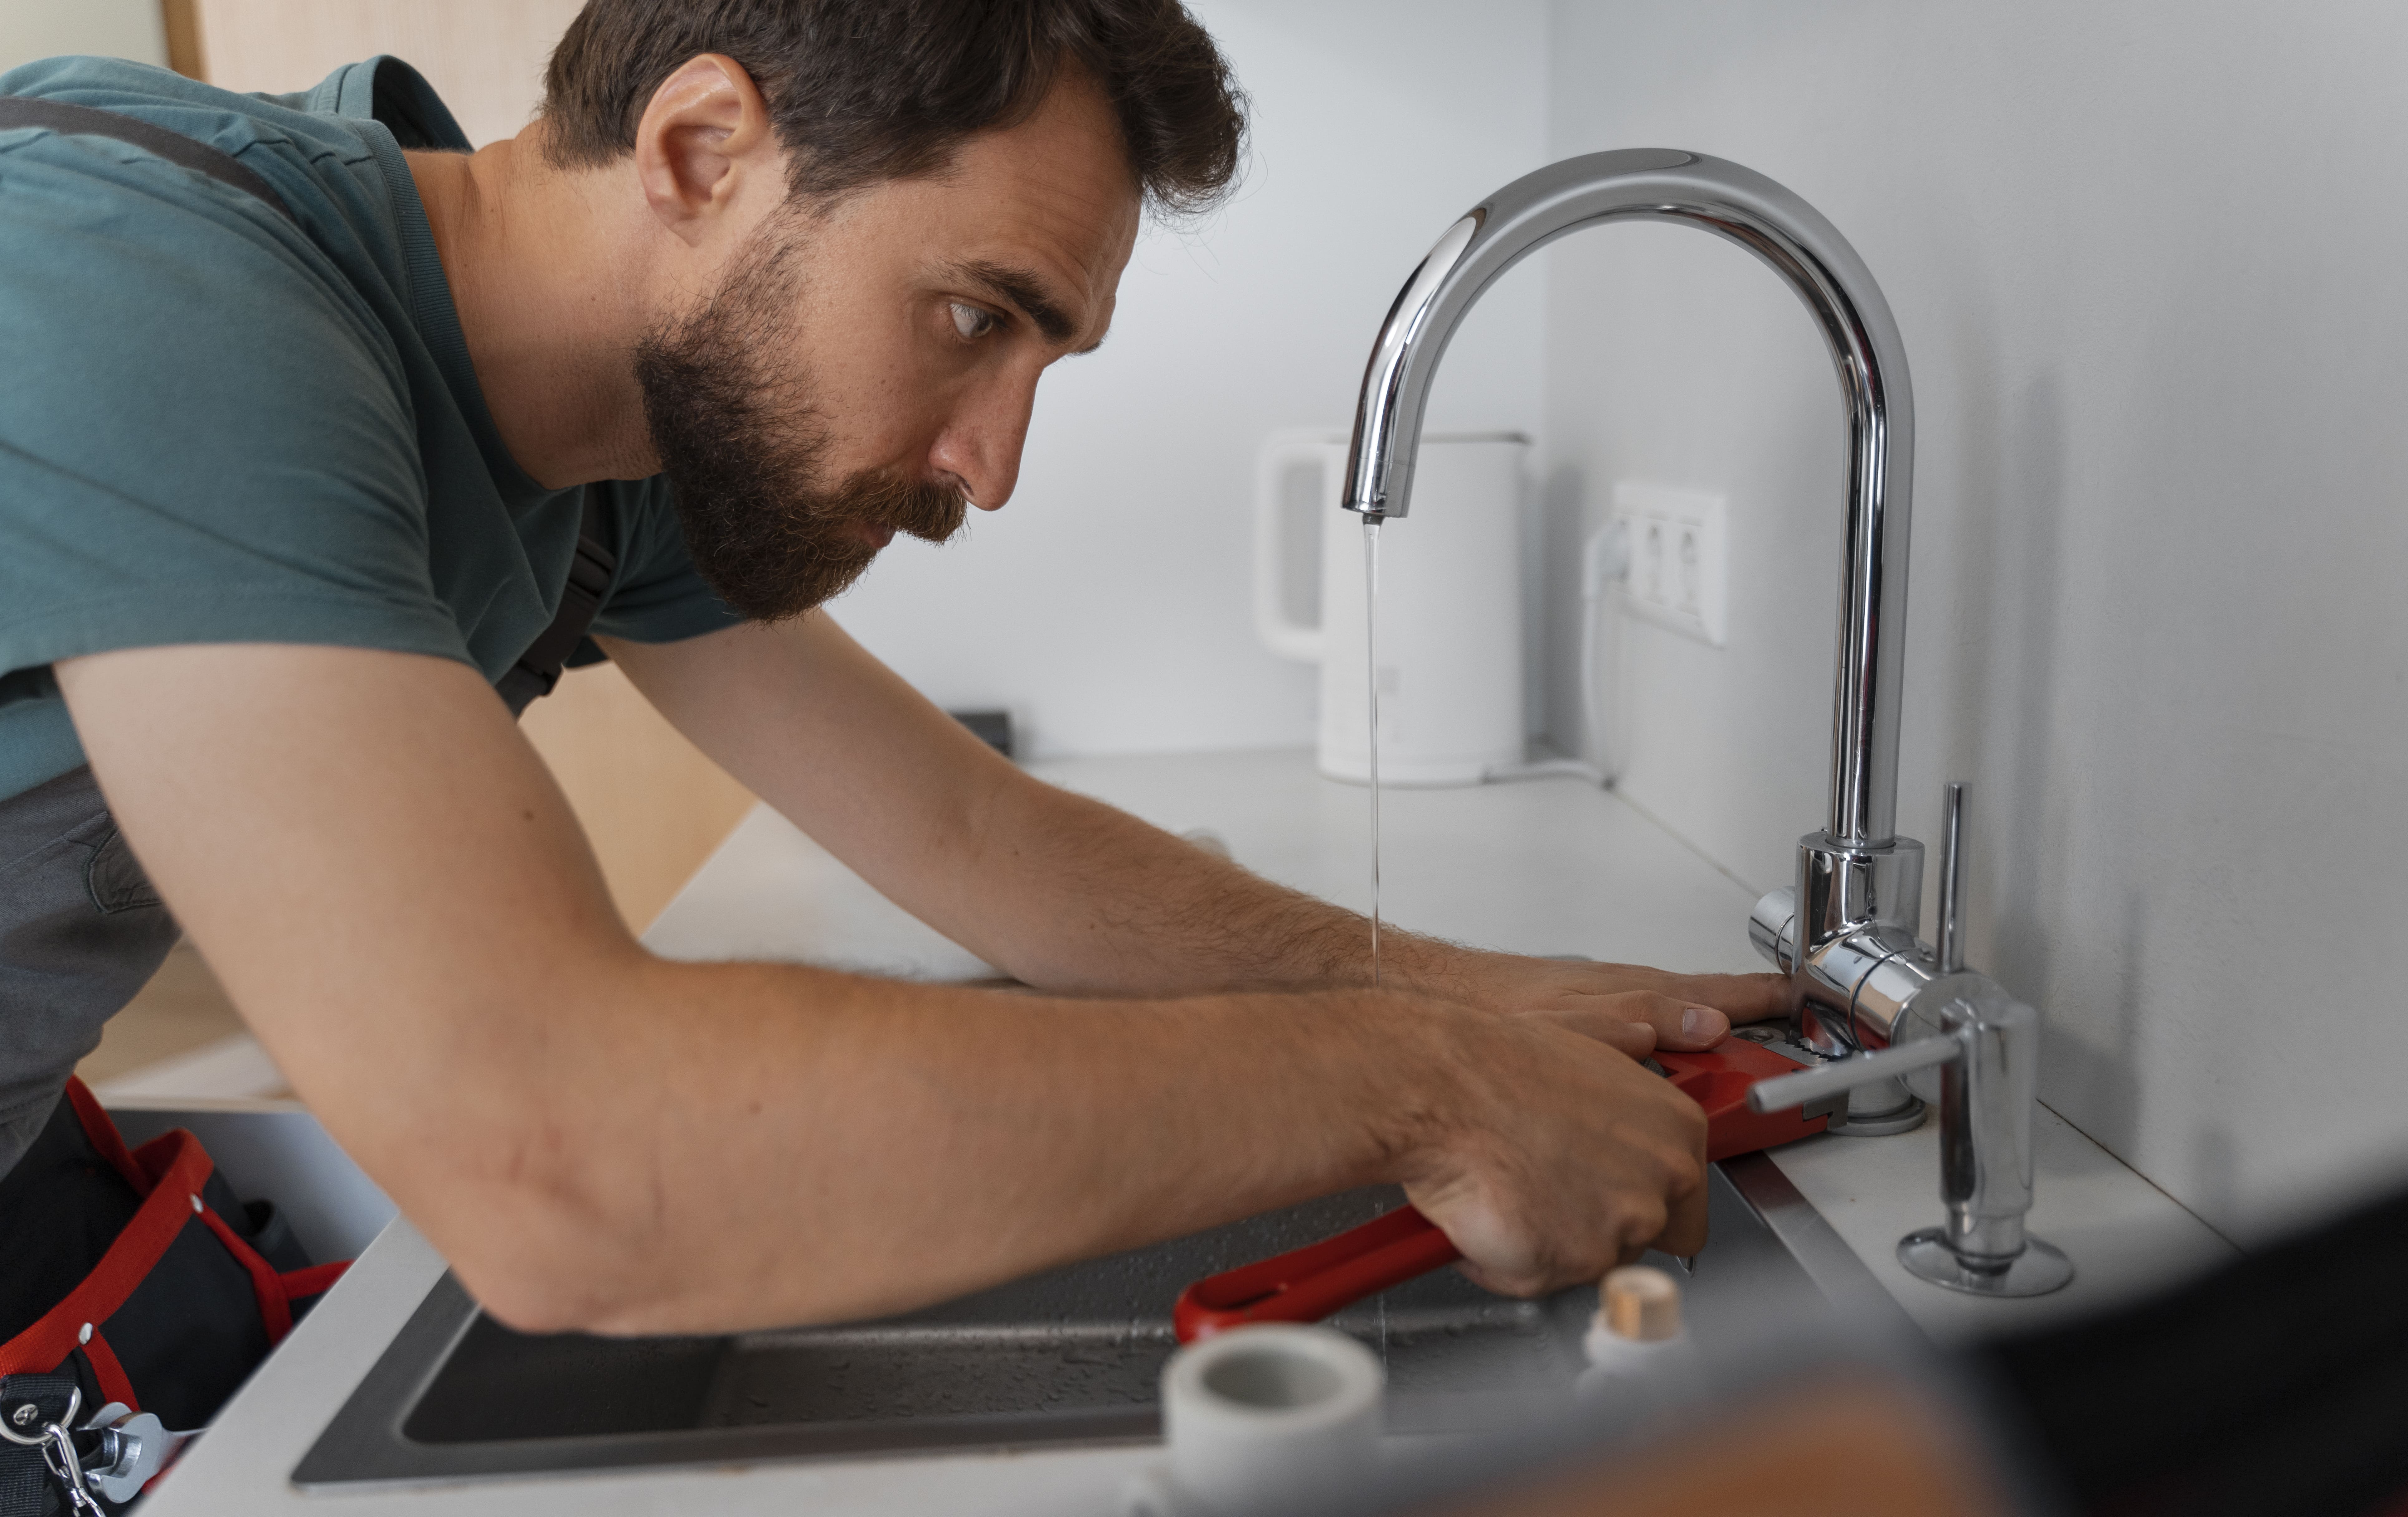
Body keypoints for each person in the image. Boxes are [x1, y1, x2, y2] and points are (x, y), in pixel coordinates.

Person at [0, 0, 1786, 1373]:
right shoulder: (152, 288)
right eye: (973, 315)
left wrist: (1495, 1000)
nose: (993, 464)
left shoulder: (611, 444)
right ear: (703, 153)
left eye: (1044, 355)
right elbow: (559, 1160)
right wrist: (1419, 1080)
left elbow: (972, 835)